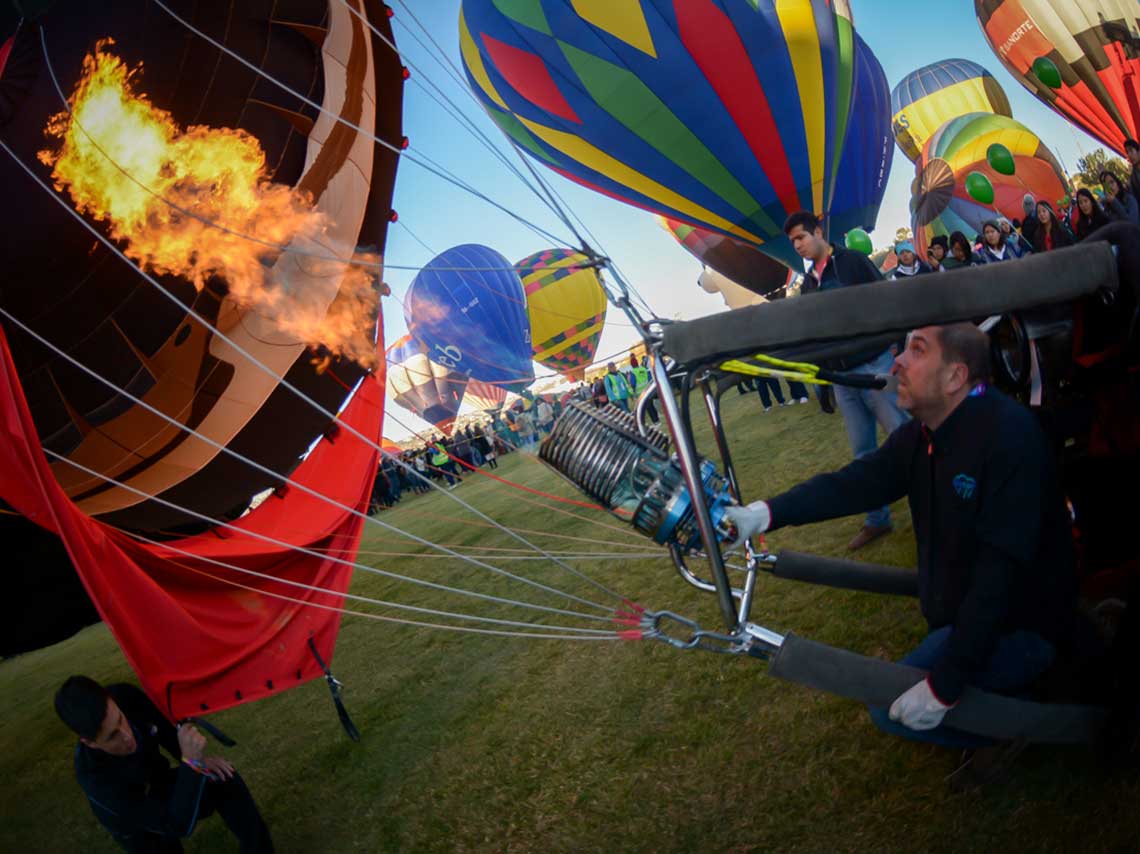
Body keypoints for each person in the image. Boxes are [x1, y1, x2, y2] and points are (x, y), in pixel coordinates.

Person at [724, 323, 1077, 759]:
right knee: (904, 691)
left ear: (954, 377)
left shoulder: (1008, 436)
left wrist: (945, 686)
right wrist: (765, 513)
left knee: (886, 708)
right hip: (967, 613)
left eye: (917, 350)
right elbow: (855, 483)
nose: (897, 361)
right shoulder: (925, 433)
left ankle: (1015, 727)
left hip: (1024, 625)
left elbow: (999, 579)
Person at [783, 211, 909, 550]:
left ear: (819, 232)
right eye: (793, 242)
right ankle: (878, 519)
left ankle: (937, 503)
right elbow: (816, 337)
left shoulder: (852, 262)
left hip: (876, 366)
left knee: (905, 437)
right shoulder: (808, 286)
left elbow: (886, 300)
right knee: (863, 452)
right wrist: (824, 382)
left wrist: (898, 348)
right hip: (843, 380)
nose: (798, 246)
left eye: (801, 238)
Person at [55, 677, 273, 853]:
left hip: (159, 782)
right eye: (112, 736)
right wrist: (192, 763)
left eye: (120, 719)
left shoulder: (126, 696)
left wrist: (201, 764)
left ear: (112, 700)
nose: (127, 736)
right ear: (89, 742)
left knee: (223, 777)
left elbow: (171, 737)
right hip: (137, 824)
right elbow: (177, 825)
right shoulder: (94, 777)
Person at [628, 354, 660, 423]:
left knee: (648, 407)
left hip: (641, 393)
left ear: (632, 365)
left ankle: (655, 421)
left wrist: (633, 392)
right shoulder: (643, 368)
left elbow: (633, 383)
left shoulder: (633, 372)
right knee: (651, 404)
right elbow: (649, 378)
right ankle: (657, 418)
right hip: (648, 389)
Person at [1125, 138, 1140, 202]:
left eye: (1131, 150)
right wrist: (1102, 175)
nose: (1129, 155)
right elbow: (1112, 195)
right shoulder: (1132, 178)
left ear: (1139, 152)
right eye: (1127, 152)